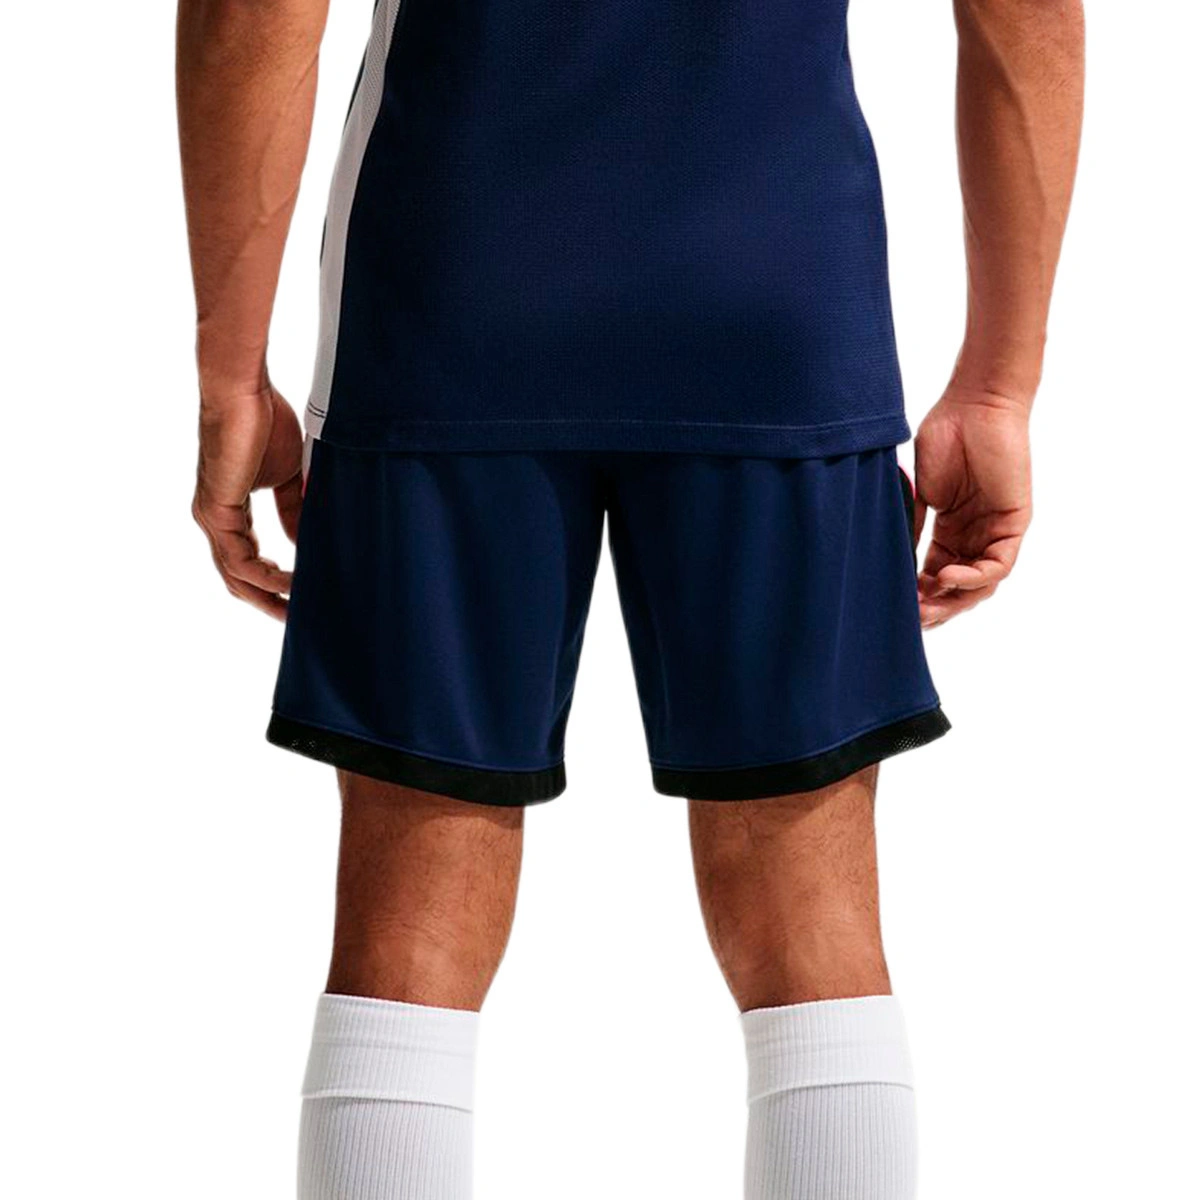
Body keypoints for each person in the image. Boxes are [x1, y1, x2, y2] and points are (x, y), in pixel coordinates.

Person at [176, 0, 1084, 1195]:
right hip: (777, 300)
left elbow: (255, 14)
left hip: (454, 297)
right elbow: (1030, 17)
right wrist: (1000, 385)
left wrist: (230, 374)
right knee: (810, 926)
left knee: (410, 931)